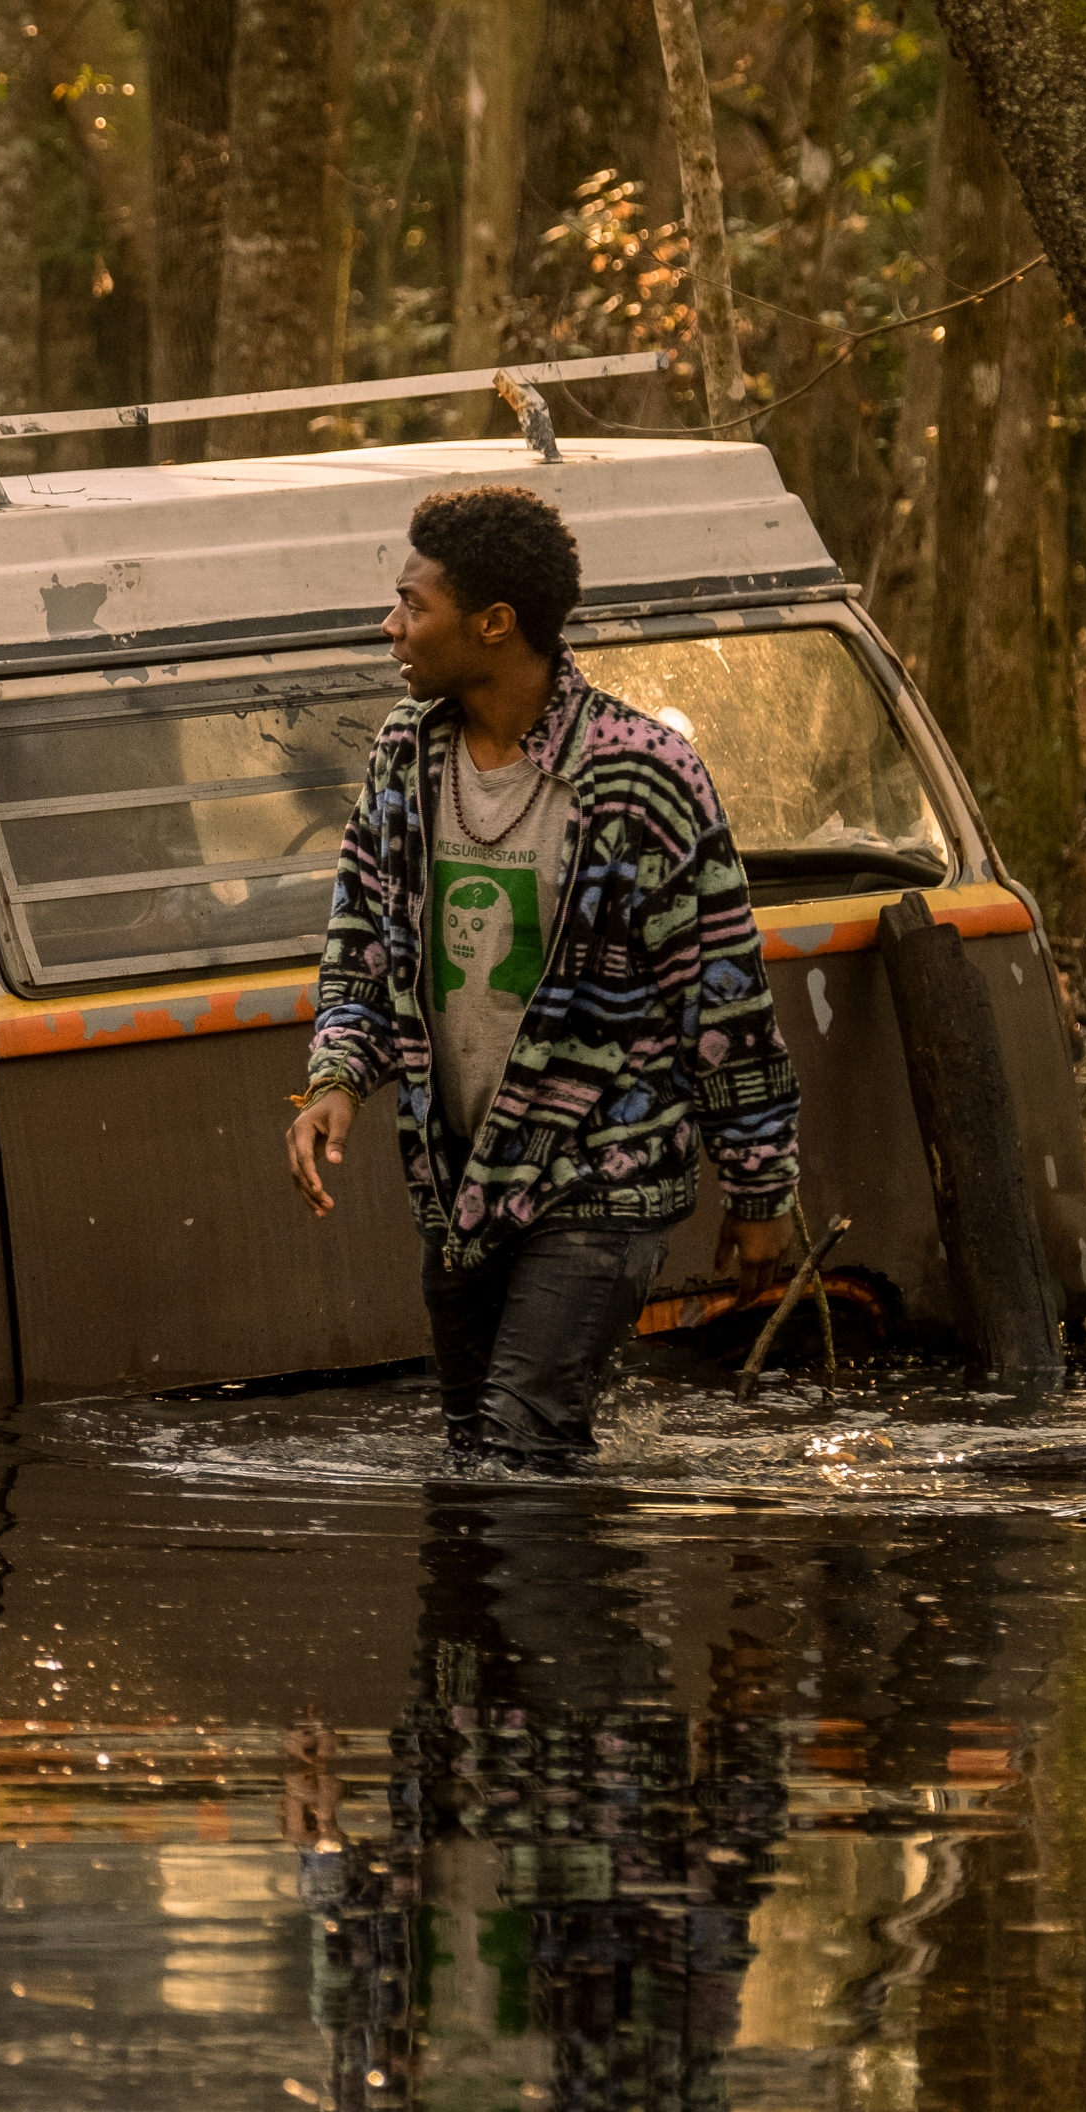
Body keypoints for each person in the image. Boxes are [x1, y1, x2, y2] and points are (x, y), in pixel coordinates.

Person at [284, 484, 799, 1471]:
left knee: (524, 1447)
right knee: (476, 1454)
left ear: (493, 623)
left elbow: (722, 994)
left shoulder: (642, 775)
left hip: (602, 1176)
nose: (388, 625)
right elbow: (361, 945)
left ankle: (568, 1619)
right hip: (459, 1179)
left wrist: (759, 1185)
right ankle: (542, 1627)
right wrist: (337, 1081)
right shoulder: (403, 757)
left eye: (412, 605)